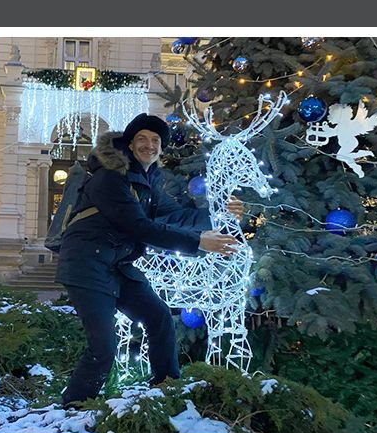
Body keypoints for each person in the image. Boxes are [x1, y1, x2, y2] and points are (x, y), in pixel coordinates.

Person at [55, 113, 243, 407]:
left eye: (155, 140)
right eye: (141, 138)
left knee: (159, 319)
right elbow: (139, 227)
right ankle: (74, 408)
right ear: (129, 145)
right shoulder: (109, 178)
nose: (149, 145)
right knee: (103, 347)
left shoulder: (146, 183)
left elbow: (177, 214)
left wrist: (220, 214)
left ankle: (167, 391)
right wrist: (198, 242)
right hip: (86, 266)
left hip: (117, 266)